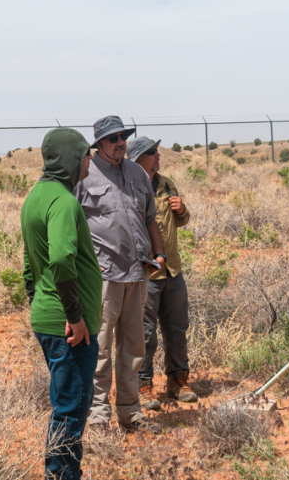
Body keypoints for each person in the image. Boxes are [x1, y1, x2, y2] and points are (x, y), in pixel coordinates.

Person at [76, 116, 166, 433]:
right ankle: (98, 416)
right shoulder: (85, 176)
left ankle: (130, 413)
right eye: (112, 138)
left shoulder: (138, 173)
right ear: (99, 144)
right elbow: (73, 225)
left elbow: (150, 218)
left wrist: (159, 254)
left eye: (123, 137)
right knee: (100, 348)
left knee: (133, 347)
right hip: (104, 275)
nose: (120, 143)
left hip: (137, 272)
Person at [20, 127, 101, 480]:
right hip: (69, 327)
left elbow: (28, 265)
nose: (89, 162)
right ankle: (61, 475)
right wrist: (74, 314)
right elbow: (63, 258)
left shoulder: (36, 197)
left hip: (49, 318)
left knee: (66, 404)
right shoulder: (64, 202)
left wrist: (39, 302)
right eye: (86, 155)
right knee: (71, 408)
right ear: (72, 159)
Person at [126, 136, 197, 408]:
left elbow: (179, 221)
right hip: (146, 274)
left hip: (172, 271)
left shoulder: (166, 183)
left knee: (177, 328)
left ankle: (177, 381)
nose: (158, 155)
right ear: (137, 158)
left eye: (157, 151)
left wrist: (182, 210)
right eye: (152, 152)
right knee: (144, 334)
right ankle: (142, 385)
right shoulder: (130, 186)